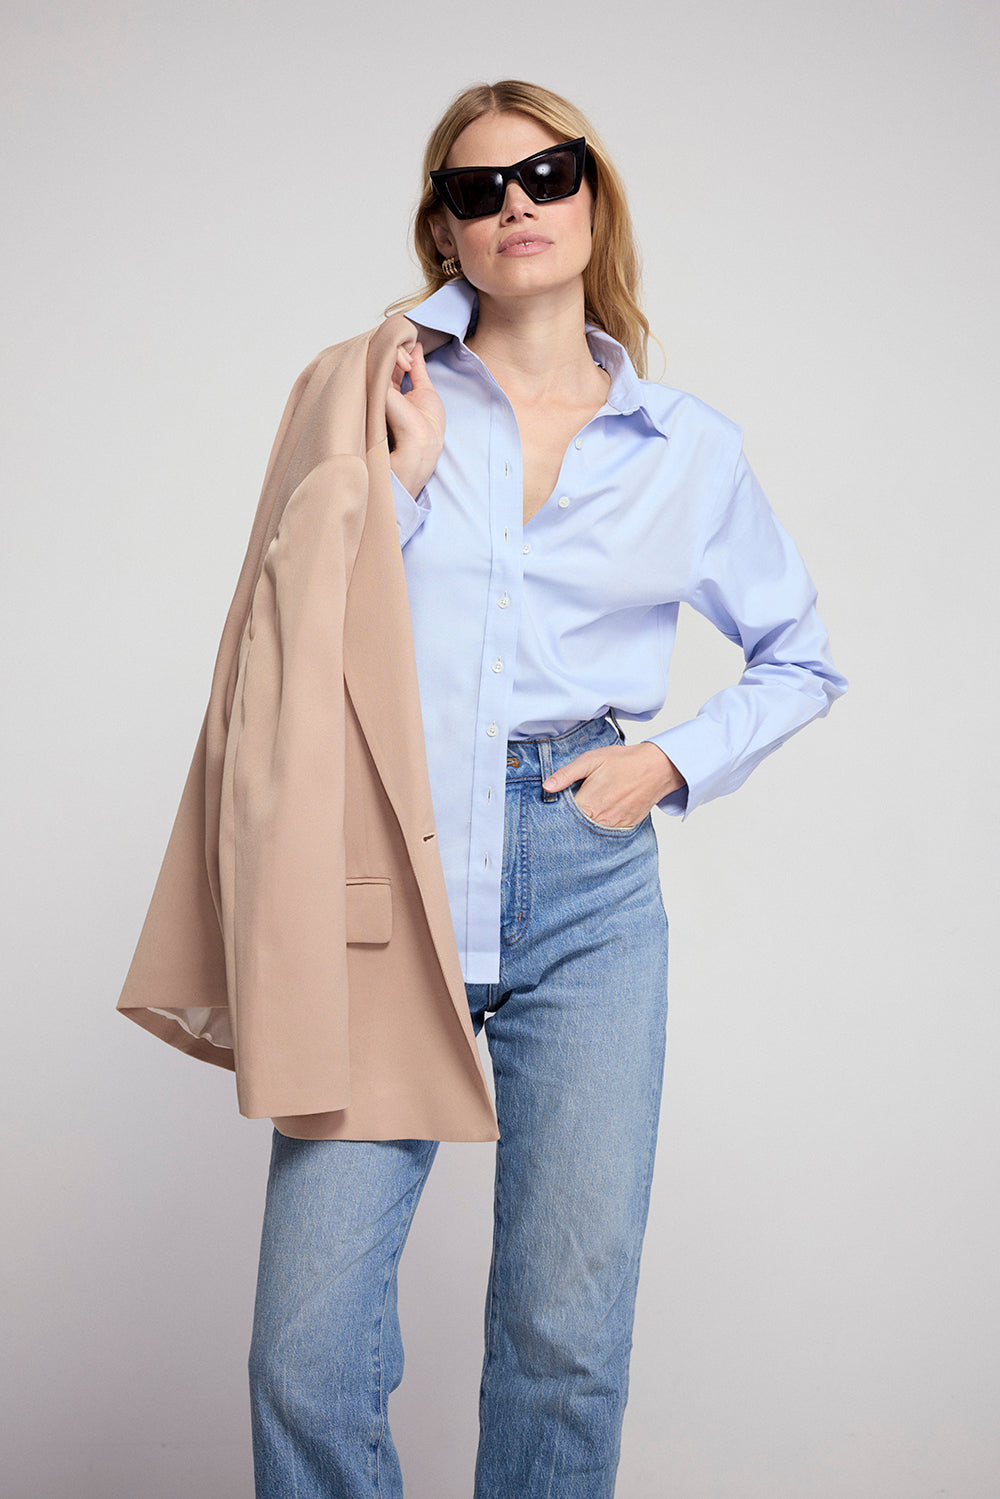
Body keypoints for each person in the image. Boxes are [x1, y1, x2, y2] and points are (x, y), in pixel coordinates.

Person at [247, 79, 847, 1498]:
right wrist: (396, 484)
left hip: (588, 892)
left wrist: (670, 760)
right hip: (387, 875)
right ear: (443, 231)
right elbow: (287, 629)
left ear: (592, 198)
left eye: (547, 173)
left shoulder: (688, 447)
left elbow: (801, 658)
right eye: (477, 190)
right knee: (305, 1350)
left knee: (563, 1339)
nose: (515, 204)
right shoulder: (375, 390)